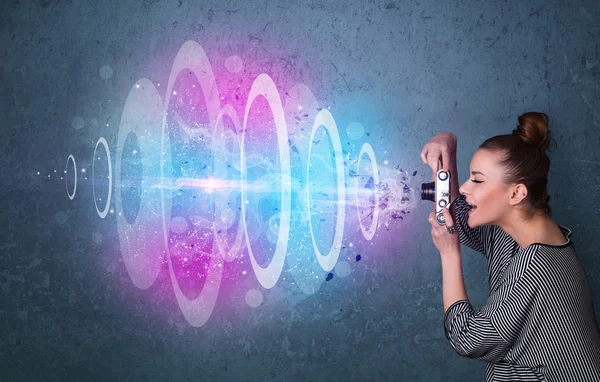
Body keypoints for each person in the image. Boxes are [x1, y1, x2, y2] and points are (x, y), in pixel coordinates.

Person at [420, 112, 600, 381]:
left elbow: (467, 338)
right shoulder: (518, 234)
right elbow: (458, 216)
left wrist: (449, 253)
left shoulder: (537, 265)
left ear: (516, 193)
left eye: (477, 180)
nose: (466, 188)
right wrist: (448, 146)